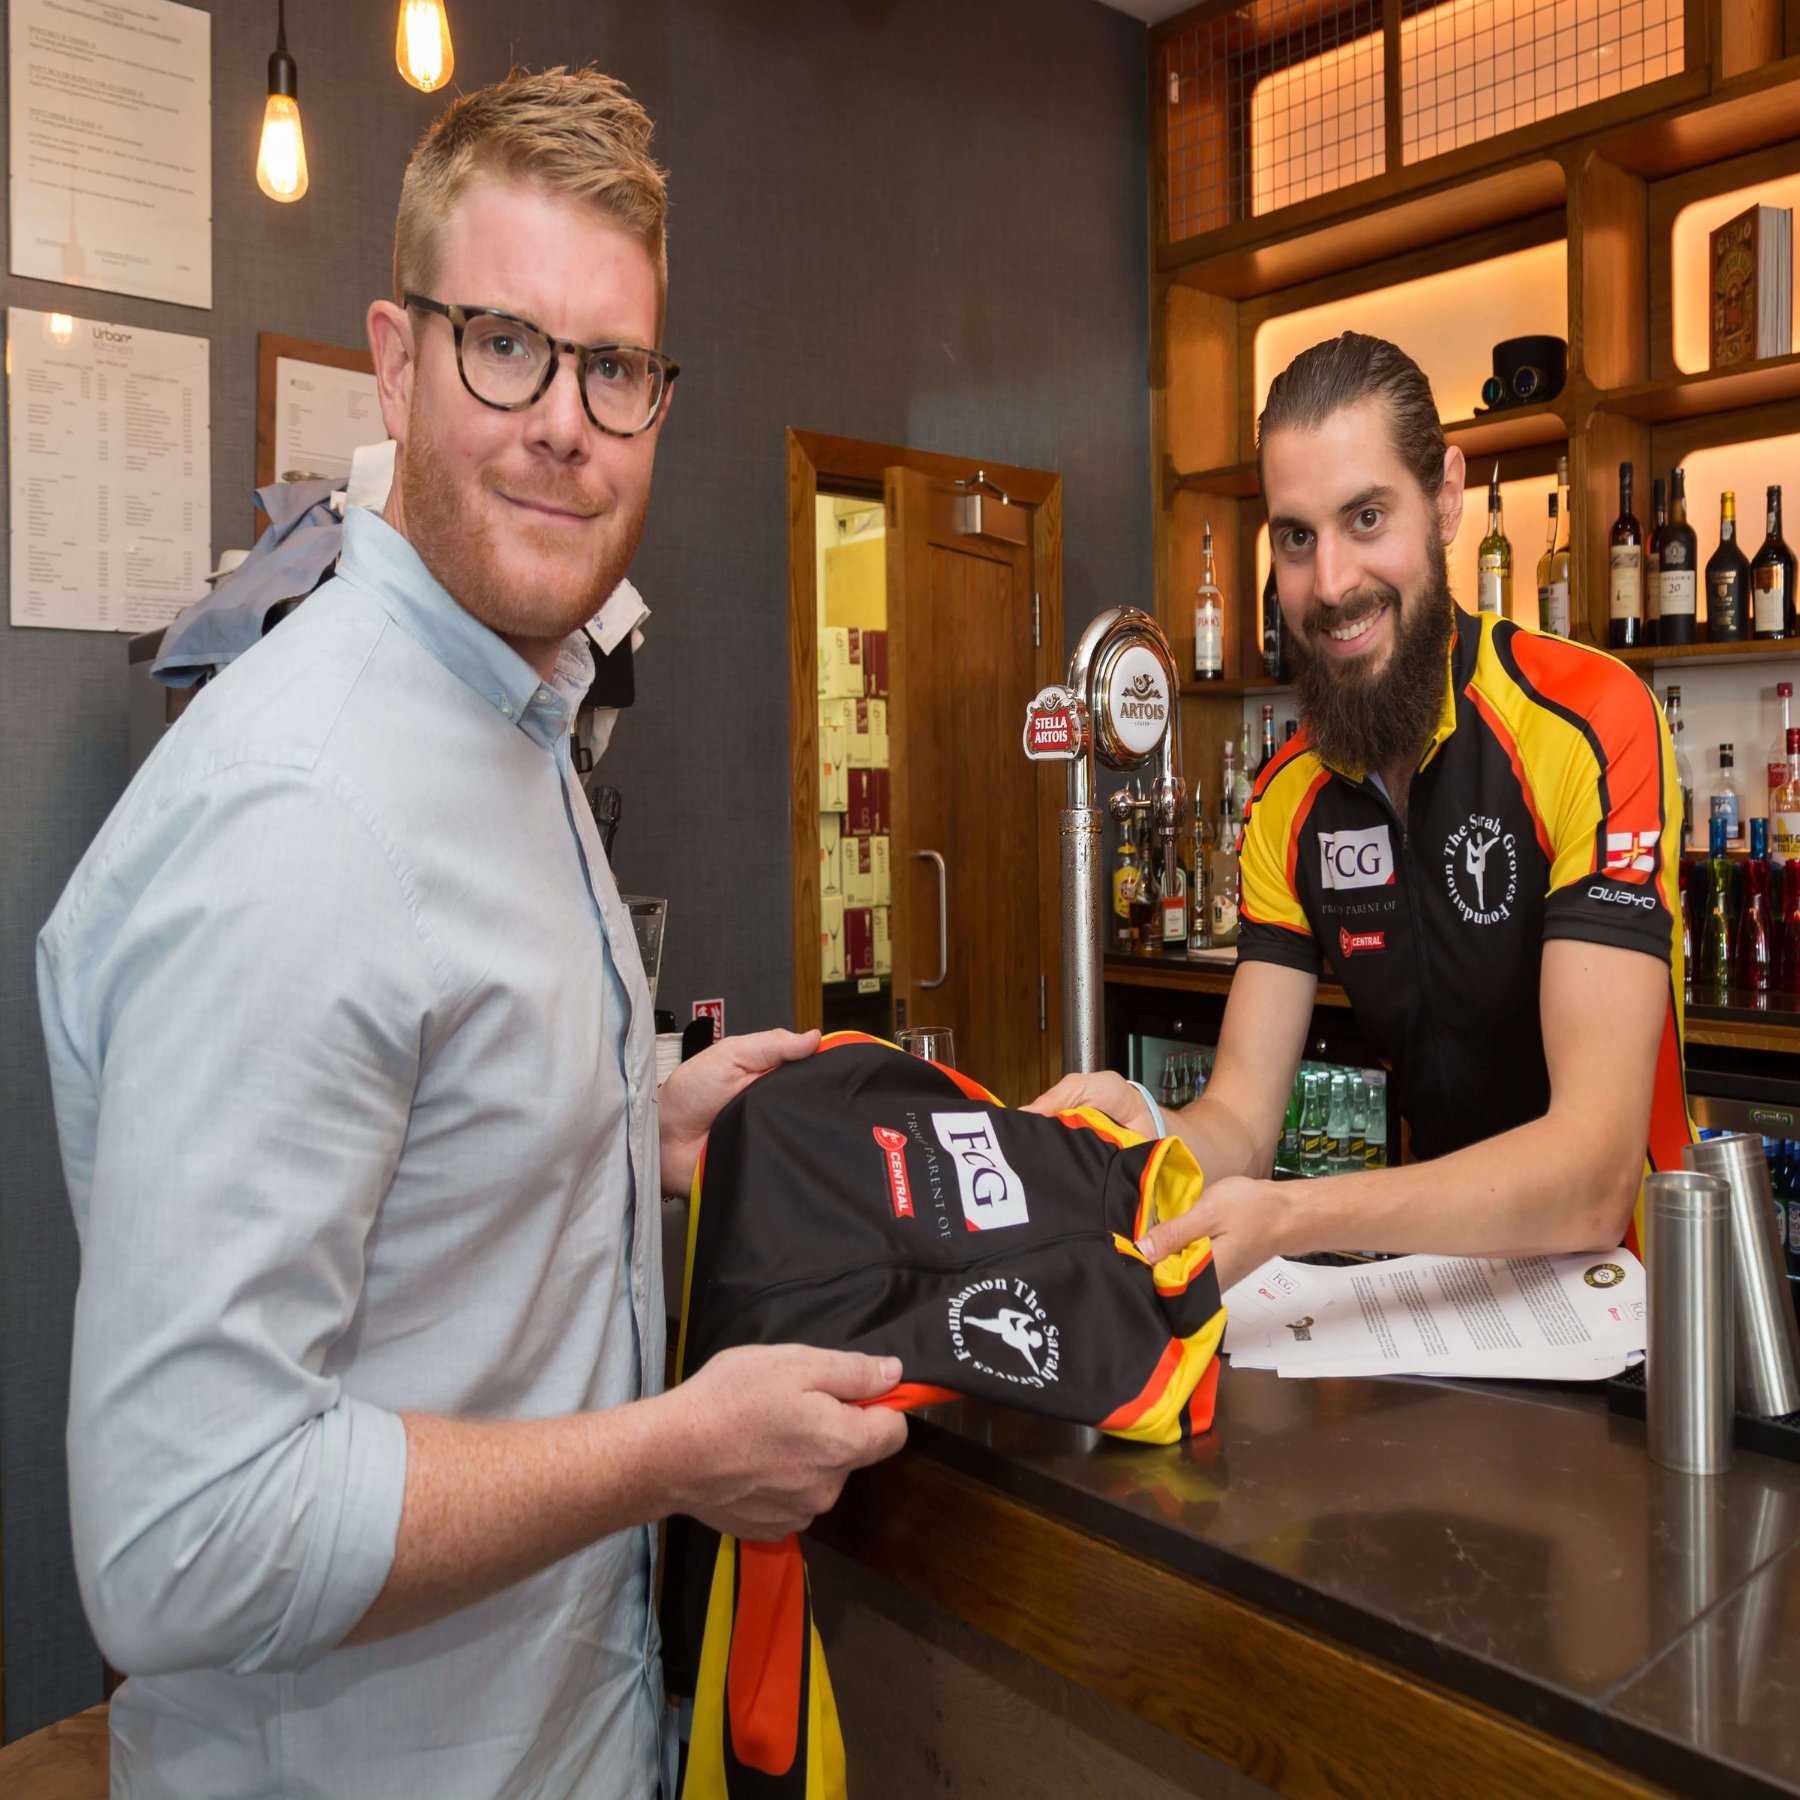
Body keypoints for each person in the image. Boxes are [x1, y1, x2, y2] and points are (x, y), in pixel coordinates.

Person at [37, 68, 905, 1798]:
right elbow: (187, 1530)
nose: (565, 422)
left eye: (614, 369)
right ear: (396, 357)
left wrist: (621, 1123)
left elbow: (414, 1140)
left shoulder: (514, 715)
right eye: (505, 343)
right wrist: (676, 1453)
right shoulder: (304, 816)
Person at [1032, 332, 1689, 1294]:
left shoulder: (1588, 721)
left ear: (1449, 499)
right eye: (1297, 536)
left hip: (1633, 1307)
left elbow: (1592, 1177)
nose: (1331, 583)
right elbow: (1244, 1123)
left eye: (1367, 517)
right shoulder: (1287, 798)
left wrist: (1298, 1217)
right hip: (1446, 1298)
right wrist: (1148, 1126)